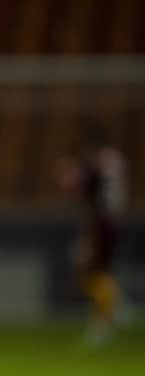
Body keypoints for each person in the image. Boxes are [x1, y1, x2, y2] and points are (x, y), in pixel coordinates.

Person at [56, 123, 128, 346]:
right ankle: (110, 314)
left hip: (101, 224)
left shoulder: (96, 167)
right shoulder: (115, 161)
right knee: (95, 272)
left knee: (89, 271)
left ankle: (112, 312)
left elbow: (82, 189)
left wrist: (70, 179)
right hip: (112, 222)